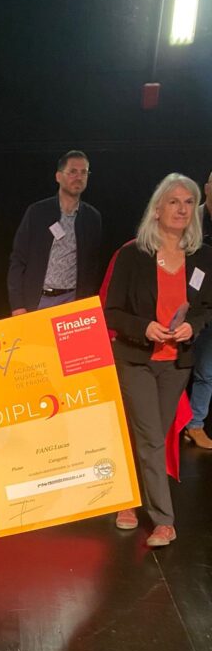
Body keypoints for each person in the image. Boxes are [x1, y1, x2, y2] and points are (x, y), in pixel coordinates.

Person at [105, 173, 212, 547]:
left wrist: (193, 326)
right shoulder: (132, 254)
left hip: (176, 365)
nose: (182, 209)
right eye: (174, 201)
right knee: (151, 437)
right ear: (157, 208)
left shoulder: (203, 256)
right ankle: (165, 521)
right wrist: (144, 327)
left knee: (150, 436)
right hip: (135, 359)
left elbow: (206, 307)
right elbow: (111, 312)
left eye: (189, 202)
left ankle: (128, 499)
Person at [8, 149, 102, 315]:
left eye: (84, 172)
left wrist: (85, 304)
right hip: (37, 301)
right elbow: (18, 259)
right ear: (58, 176)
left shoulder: (92, 217)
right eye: (73, 171)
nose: (79, 177)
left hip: (72, 301)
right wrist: (17, 305)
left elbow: (93, 267)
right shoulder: (37, 212)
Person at [184, 169, 212, 449]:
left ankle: (195, 423)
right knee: (176, 368)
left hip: (210, 309)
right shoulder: (190, 218)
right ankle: (173, 422)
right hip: (186, 305)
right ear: (206, 188)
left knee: (206, 370)